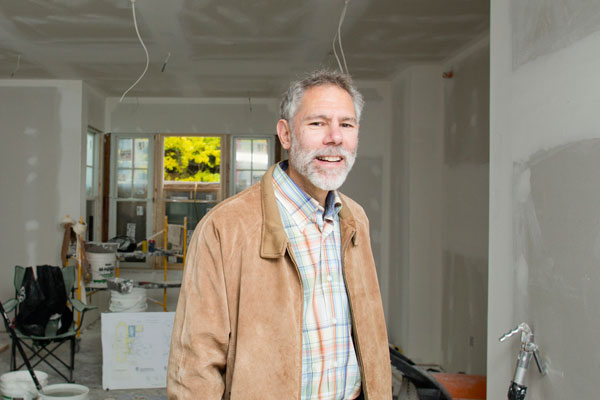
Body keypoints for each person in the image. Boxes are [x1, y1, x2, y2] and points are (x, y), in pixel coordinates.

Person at [167, 70, 391, 399]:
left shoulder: (354, 218)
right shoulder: (225, 228)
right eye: (317, 123)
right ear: (285, 135)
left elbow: (369, 334)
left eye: (347, 124)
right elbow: (195, 366)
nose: (335, 137)